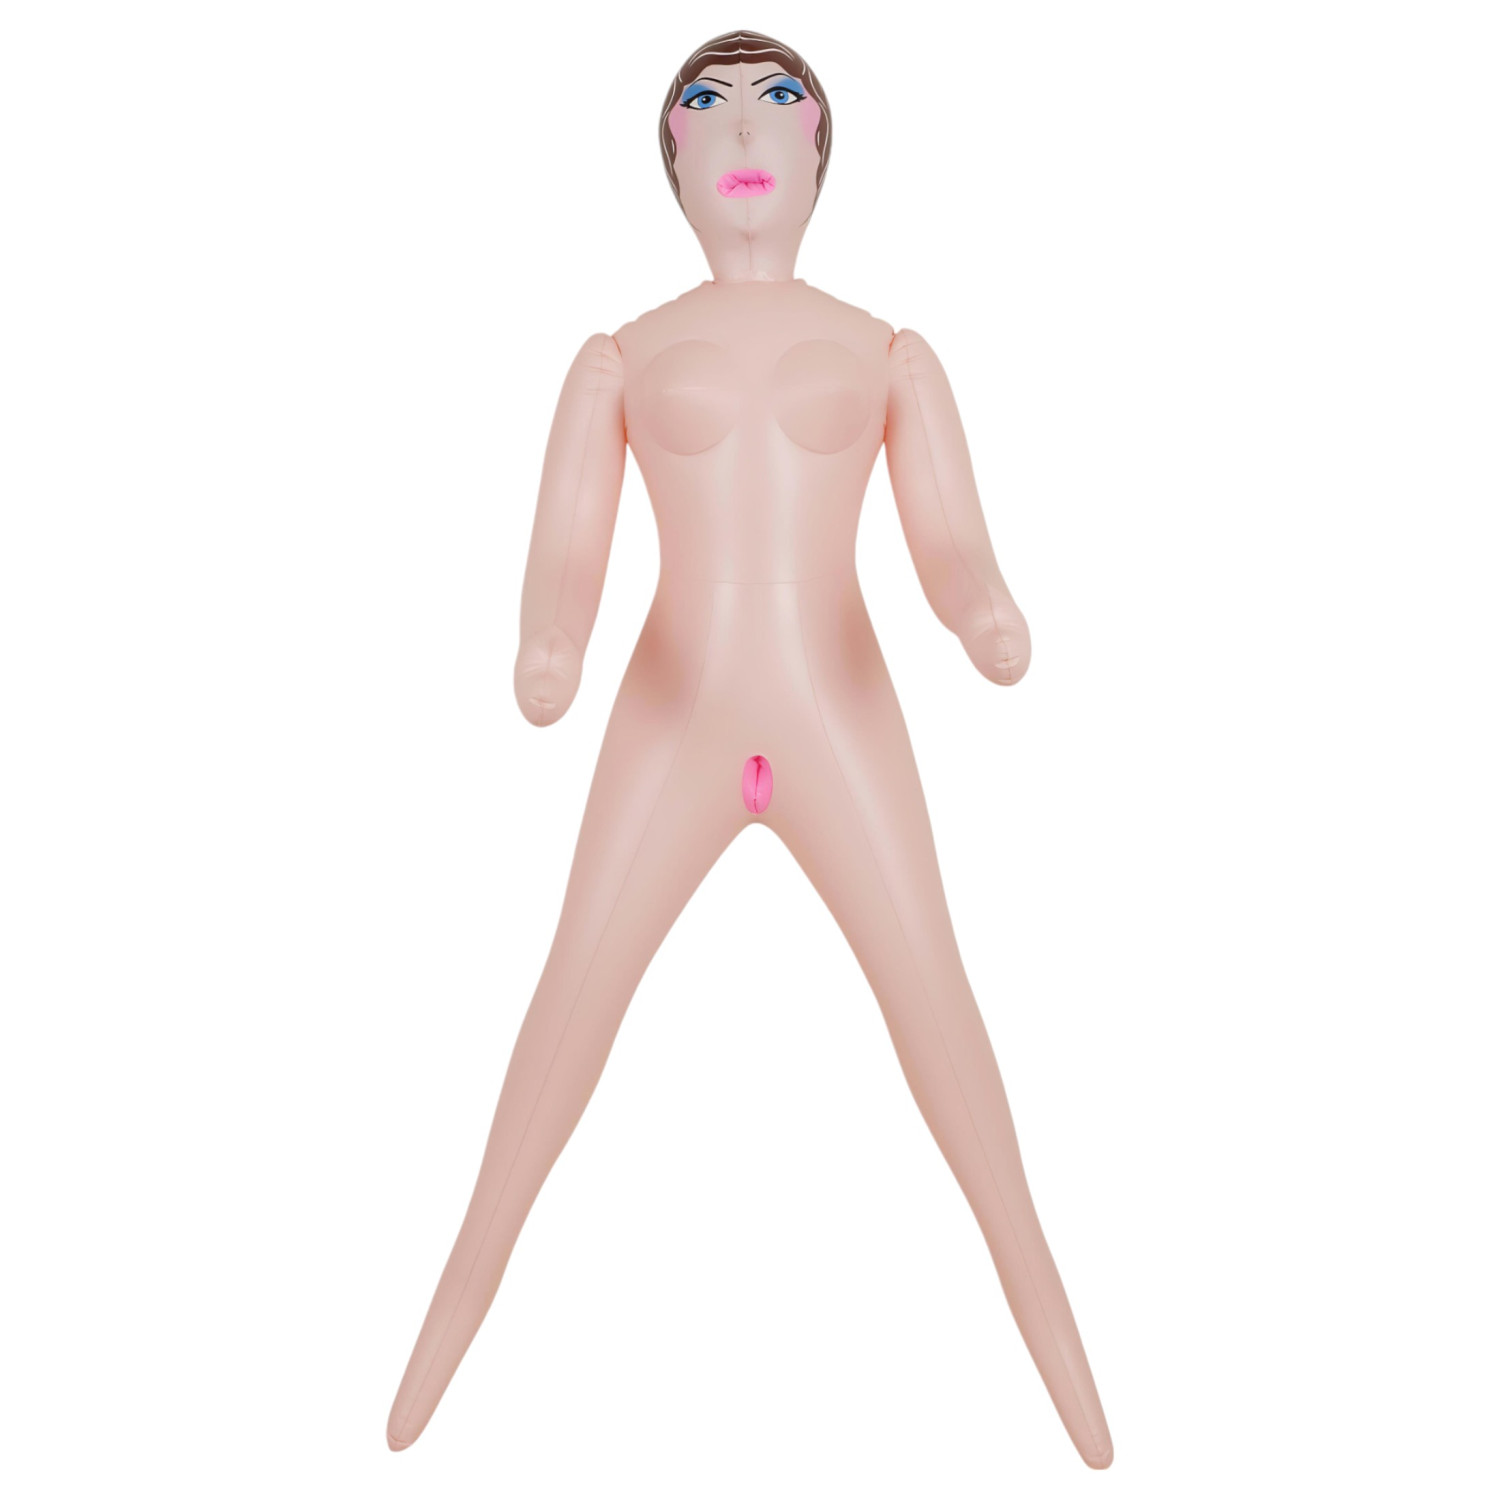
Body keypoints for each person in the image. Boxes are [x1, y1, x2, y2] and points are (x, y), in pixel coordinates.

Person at [387, 27, 1113, 1470]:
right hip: (672, 711)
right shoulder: (620, 357)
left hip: (841, 707)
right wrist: (549, 646)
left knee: (939, 1007)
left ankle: (1074, 1377)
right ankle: (431, 1354)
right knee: (568, 1009)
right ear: (669, 156)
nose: (740, 131)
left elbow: (951, 538)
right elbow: (565, 550)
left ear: (821, 152)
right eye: (704, 106)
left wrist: (985, 614)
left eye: (777, 100)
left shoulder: (890, 352)